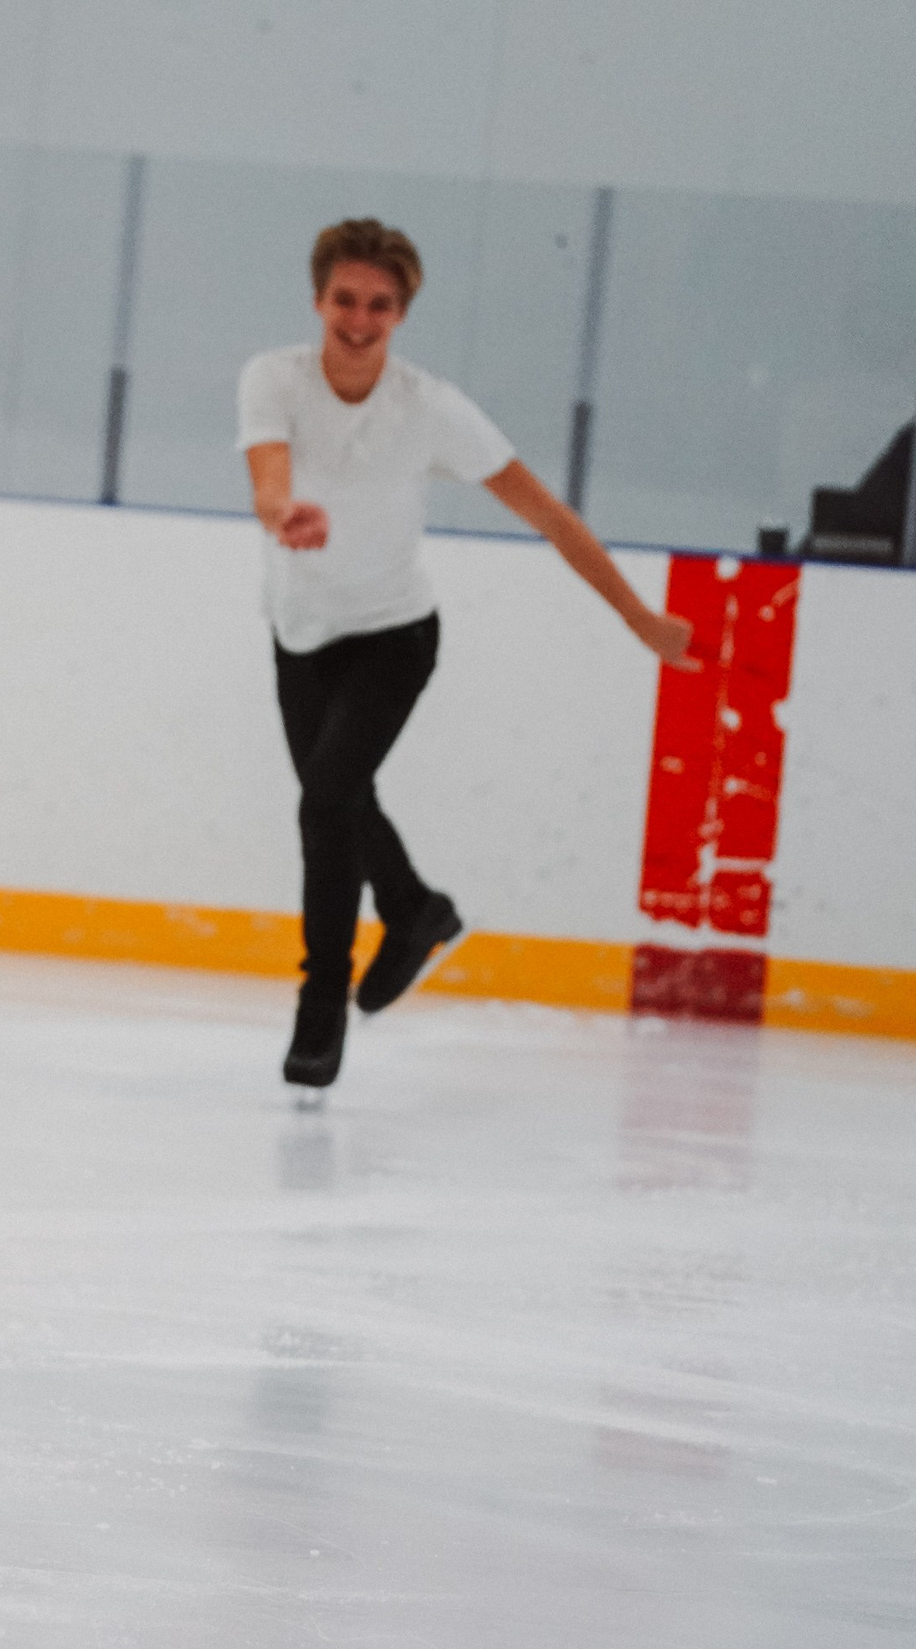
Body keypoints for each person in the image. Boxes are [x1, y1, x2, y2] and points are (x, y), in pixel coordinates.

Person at [239, 219, 694, 1090]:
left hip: (394, 637)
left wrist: (636, 615)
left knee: (326, 801)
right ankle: (414, 908)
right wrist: (280, 511)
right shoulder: (275, 380)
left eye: (380, 305)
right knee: (336, 797)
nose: (359, 320)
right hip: (298, 632)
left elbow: (551, 516)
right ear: (317, 300)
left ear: (403, 314)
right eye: (345, 300)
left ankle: (321, 1006)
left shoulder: (429, 407)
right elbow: (267, 472)